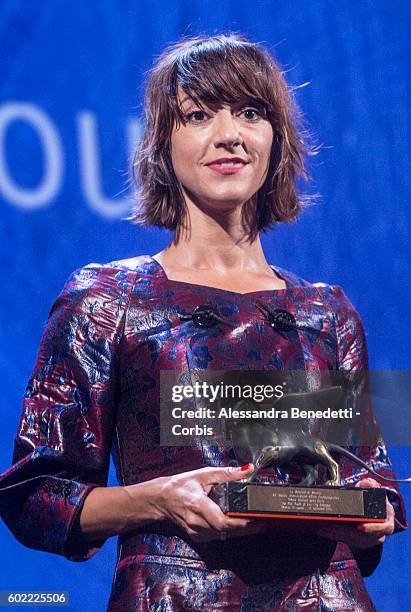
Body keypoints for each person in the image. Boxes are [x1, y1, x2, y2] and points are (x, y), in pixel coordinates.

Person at [0, 33, 407, 611]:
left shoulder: (327, 312)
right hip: (178, 596)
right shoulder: (108, 299)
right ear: (162, 144)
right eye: (198, 115)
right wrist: (161, 500)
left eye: (251, 113)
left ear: (276, 141)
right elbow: (36, 497)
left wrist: (368, 510)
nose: (229, 135)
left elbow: (372, 482)